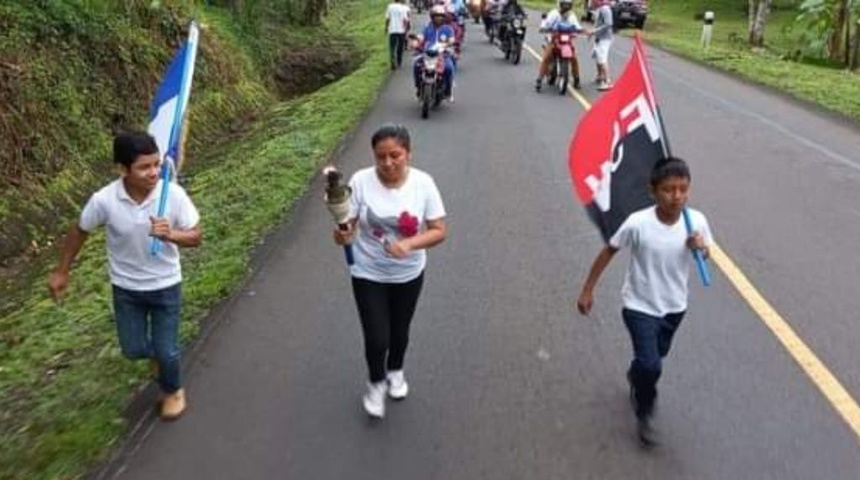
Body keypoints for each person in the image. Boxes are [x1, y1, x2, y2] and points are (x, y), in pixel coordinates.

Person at [47, 131, 202, 421]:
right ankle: (157, 357)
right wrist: (61, 271)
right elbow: (80, 230)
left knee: (167, 351)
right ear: (123, 169)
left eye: (156, 164)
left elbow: (196, 236)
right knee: (133, 349)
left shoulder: (173, 195)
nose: (154, 172)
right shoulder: (104, 200)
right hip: (126, 288)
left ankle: (173, 390)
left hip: (166, 285)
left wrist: (172, 235)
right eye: (144, 167)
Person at [575, 157, 713, 446]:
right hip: (638, 305)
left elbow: (705, 254)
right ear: (653, 191)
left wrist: (699, 247)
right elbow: (608, 251)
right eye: (668, 189)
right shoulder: (638, 223)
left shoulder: (696, 222)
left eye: (682, 189)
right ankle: (645, 411)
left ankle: (637, 375)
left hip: (675, 306)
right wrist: (588, 289)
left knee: (653, 359)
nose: (676, 196)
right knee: (652, 366)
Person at [333, 124, 447, 419]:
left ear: (408, 153)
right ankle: (375, 382)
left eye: (394, 155)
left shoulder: (423, 184)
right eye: (380, 157)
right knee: (376, 337)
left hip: (408, 273)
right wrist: (343, 235)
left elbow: (438, 231)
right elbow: (350, 222)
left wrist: (409, 244)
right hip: (367, 270)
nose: (387, 163)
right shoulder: (360, 180)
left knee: (399, 331)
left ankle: (395, 370)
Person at [535, 0, 584, 91]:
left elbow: (577, 26)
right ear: (559, 4)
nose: (566, 7)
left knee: (574, 58)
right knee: (547, 57)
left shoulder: (571, 15)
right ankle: (539, 79)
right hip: (553, 39)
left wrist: (580, 30)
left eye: (568, 5)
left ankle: (576, 79)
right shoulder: (554, 13)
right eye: (564, 4)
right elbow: (546, 24)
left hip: (566, 41)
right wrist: (544, 28)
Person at [413, 6, 457, 101]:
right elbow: (421, 37)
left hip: (443, 55)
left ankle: (448, 92)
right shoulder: (427, 28)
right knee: (416, 66)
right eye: (436, 16)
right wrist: (416, 42)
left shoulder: (448, 29)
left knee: (449, 68)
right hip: (427, 55)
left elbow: (452, 39)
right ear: (432, 17)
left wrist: (449, 43)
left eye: (441, 16)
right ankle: (418, 88)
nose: (439, 18)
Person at [589, 0, 614, 90]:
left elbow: (608, 24)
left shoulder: (605, 9)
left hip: (605, 39)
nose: (591, 2)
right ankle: (599, 76)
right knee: (597, 56)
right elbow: (597, 24)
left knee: (602, 59)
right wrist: (592, 33)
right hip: (599, 38)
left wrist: (594, 31)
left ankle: (608, 81)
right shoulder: (599, 9)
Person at [386, 0, 412, 70]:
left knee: (392, 47)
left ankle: (392, 61)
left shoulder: (390, 6)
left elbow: (388, 18)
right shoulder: (402, 8)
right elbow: (405, 20)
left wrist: (386, 27)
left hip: (392, 30)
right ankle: (399, 61)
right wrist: (406, 29)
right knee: (400, 47)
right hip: (401, 30)